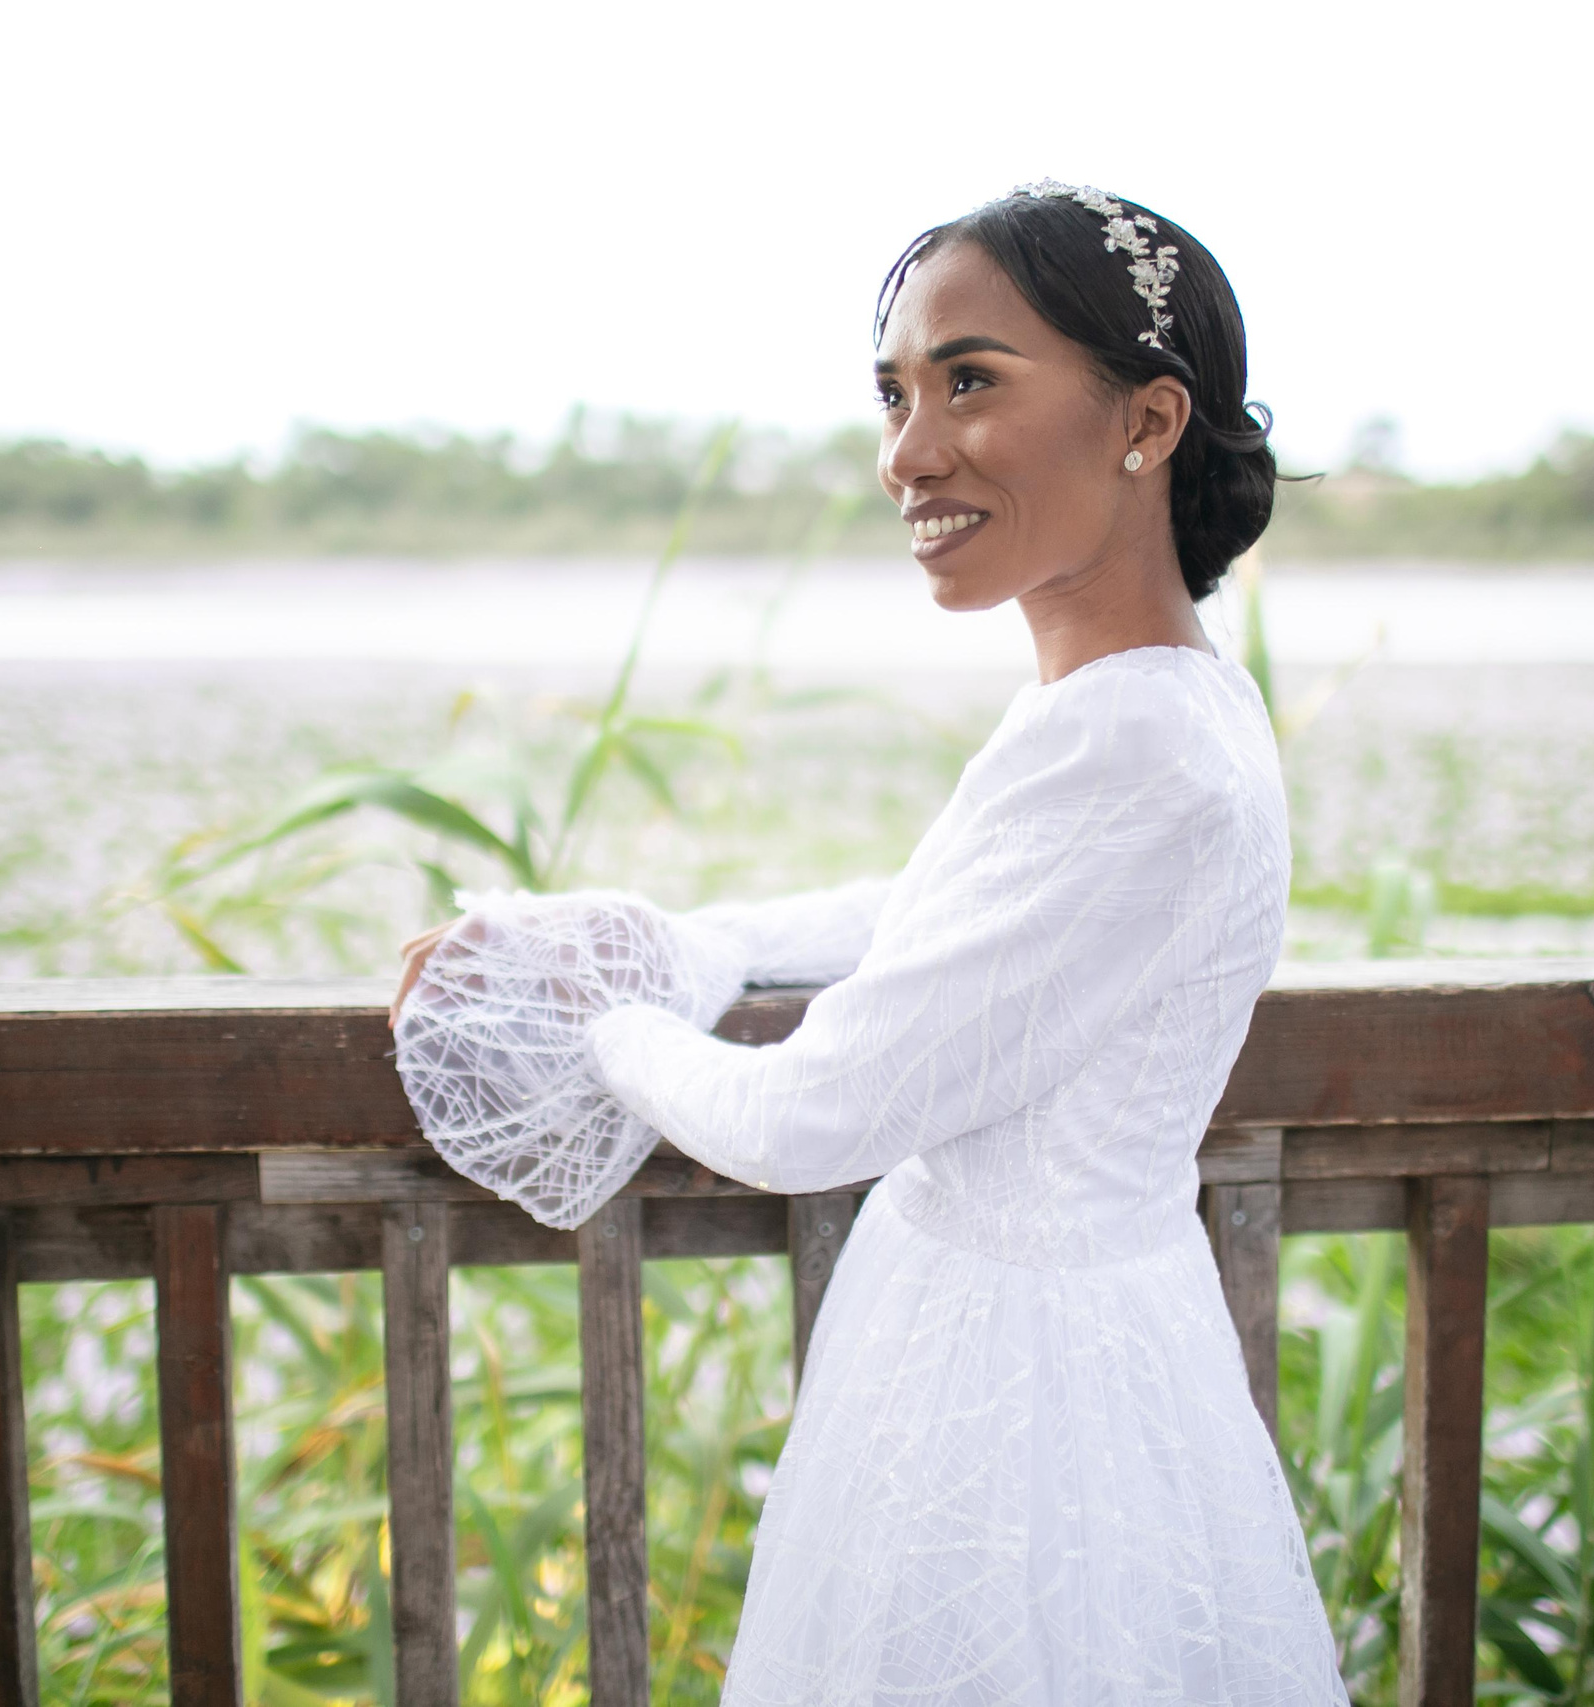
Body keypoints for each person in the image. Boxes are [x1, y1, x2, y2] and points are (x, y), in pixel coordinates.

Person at [390, 182, 1349, 1706]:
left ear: (1146, 421)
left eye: (971, 380)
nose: (908, 453)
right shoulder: (1150, 702)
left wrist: (591, 1029)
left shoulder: (1142, 746)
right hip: (1048, 1344)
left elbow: (807, 1115)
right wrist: (673, 952)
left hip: (1020, 1405)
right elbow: (926, 921)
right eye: (895, 394)